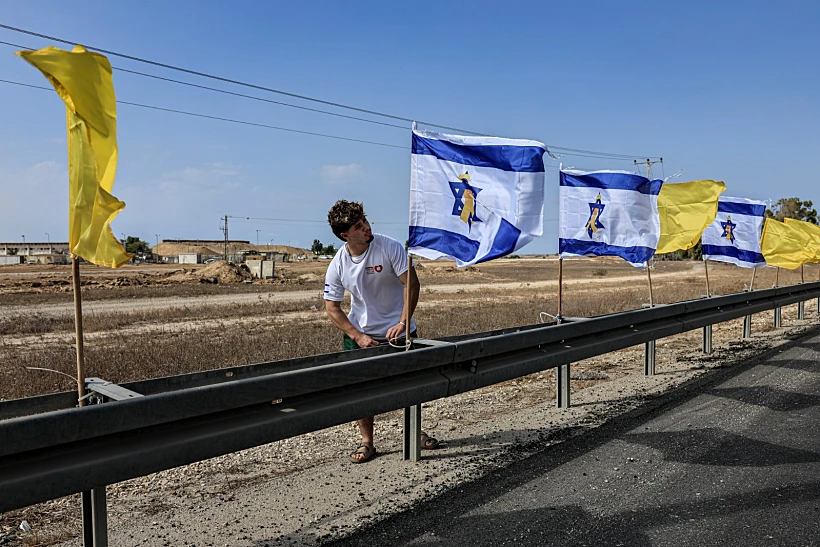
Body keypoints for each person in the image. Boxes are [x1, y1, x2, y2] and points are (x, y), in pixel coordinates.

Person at [323, 199, 440, 463]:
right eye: (358, 225)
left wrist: (402, 322)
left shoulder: (389, 246)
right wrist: (357, 336)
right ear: (345, 235)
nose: (366, 226)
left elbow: (412, 283)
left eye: (364, 219)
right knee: (362, 392)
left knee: (409, 386)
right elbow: (332, 307)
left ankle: (415, 433)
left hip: (400, 333)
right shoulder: (338, 264)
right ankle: (367, 443)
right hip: (362, 336)